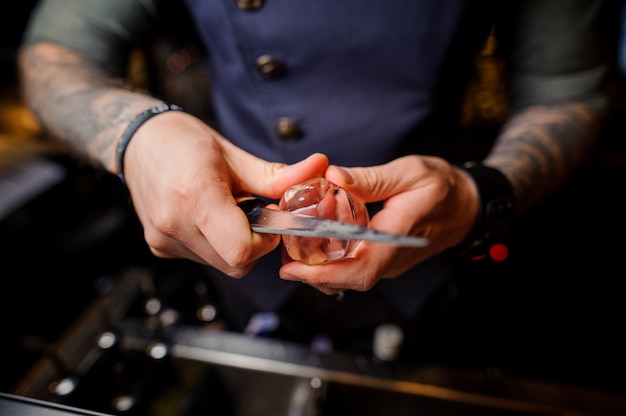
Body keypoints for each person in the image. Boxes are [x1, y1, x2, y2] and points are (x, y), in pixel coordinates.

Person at [17, 0, 612, 357]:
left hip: (434, 264)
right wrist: (137, 134)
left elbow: (570, 90)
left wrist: (482, 194)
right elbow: (53, 55)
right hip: (235, 276)